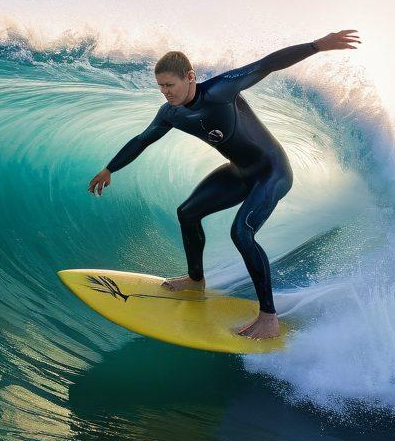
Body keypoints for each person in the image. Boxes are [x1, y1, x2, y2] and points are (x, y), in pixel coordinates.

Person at [87, 31, 360, 339]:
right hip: (240, 172)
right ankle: (195, 280)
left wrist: (317, 46)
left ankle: (268, 316)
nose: (165, 92)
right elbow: (142, 140)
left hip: (272, 172)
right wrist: (110, 168)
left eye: (170, 85)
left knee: (242, 232)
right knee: (187, 212)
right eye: (161, 86)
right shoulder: (171, 113)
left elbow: (266, 64)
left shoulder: (221, 90)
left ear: (190, 77)